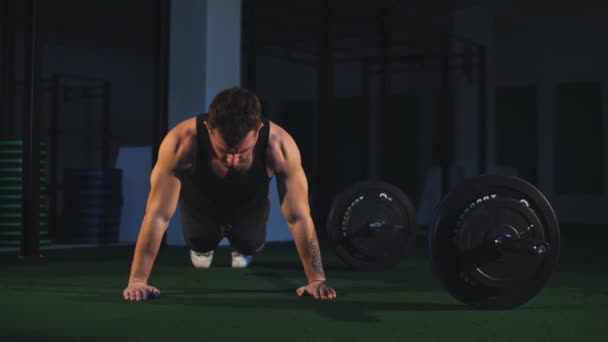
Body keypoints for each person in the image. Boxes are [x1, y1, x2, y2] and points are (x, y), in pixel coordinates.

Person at [122, 87, 337, 301]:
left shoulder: (280, 146)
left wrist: (316, 278)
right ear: (208, 129)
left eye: (242, 152)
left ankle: (240, 246)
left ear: (259, 129)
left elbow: (298, 217)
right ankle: (203, 247)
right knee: (200, 242)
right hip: (200, 202)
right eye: (223, 150)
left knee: (250, 244)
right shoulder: (180, 143)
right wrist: (138, 280)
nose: (232, 160)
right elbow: (158, 216)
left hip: (249, 202)